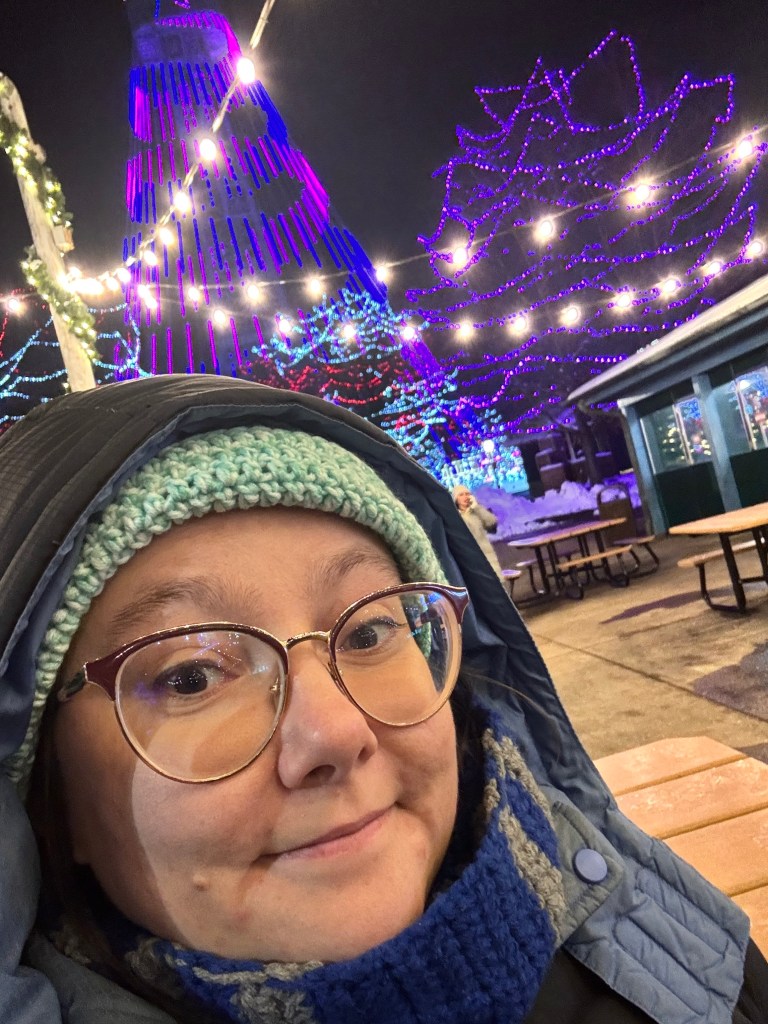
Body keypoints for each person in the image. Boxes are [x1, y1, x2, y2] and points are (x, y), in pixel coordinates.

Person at [0, 374, 765, 1024]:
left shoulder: (646, 928)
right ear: (54, 801)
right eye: (191, 676)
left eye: (368, 632)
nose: (336, 732)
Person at [452, 484, 508, 586]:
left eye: (467, 494)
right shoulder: (454, 517)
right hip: (470, 561)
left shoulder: (476, 511)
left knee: (499, 586)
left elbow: (492, 522)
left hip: (487, 556)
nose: (465, 497)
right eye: (461, 495)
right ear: (455, 499)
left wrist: (477, 507)